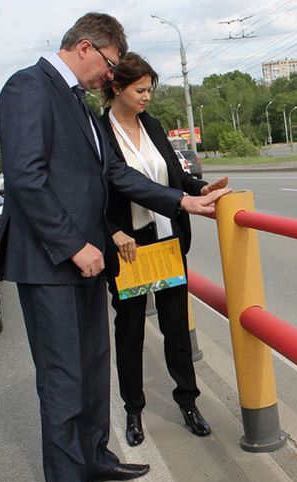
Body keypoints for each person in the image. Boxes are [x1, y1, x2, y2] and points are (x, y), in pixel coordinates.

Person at [0, 13, 229, 482]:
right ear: (85, 47)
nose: (110, 75)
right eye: (111, 63)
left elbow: (113, 175)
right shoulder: (28, 87)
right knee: (62, 378)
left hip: (85, 261)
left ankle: (96, 456)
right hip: (52, 262)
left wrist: (182, 201)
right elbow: (27, 181)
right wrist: (76, 244)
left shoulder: (76, 101)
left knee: (94, 365)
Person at [100, 53, 227, 447]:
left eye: (150, 90)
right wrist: (111, 231)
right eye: (140, 90)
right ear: (117, 88)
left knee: (177, 330)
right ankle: (133, 410)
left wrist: (200, 190)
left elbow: (173, 175)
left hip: (167, 240)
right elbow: (93, 189)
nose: (147, 97)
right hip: (130, 248)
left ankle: (188, 403)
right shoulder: (98, 130)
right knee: (131, 331)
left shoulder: (151, 125)